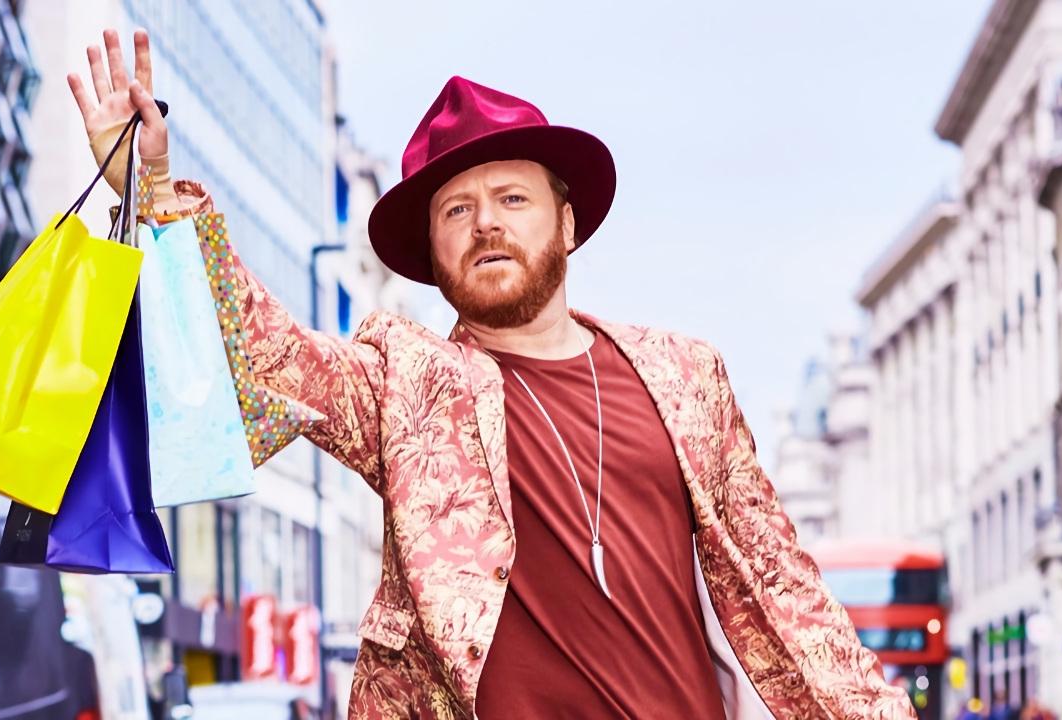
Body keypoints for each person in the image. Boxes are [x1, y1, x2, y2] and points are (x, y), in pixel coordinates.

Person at [67, 27, 918, 720]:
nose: (486, 225)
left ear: (568, 224)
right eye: (456, 210)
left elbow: (783, 586)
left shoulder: (686, 375)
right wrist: (150, 190)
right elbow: (266, 353)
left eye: (513, 199)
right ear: (433, 256)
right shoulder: (404, 382)